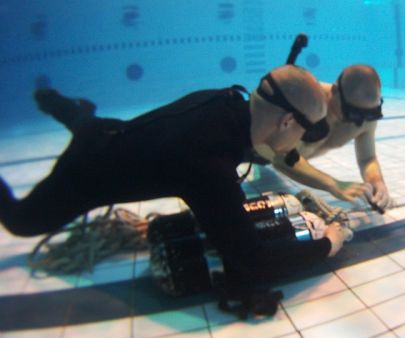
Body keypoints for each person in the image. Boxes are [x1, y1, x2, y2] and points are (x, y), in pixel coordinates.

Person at [0, 65, 353, 317]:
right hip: (86, 172)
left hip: (110, 134)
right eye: (308, 131)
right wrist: (329, 243)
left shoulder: (227, 99)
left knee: (89, 127)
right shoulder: (209, 167)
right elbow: (253, 262)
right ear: (287, 121)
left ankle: (73, 111)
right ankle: (75, 114)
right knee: (21, 223)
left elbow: (227, 142)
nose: (305, 141)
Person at [271, 64, 392, 211]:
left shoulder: (365, 113)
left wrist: (377, 182)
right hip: (252, 150)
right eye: (353, 113)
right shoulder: (307, 99)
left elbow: (367, 159)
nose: (360, 122)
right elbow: (281, 157)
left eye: (371, 114)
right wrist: (333, 184)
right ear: (335, 91)